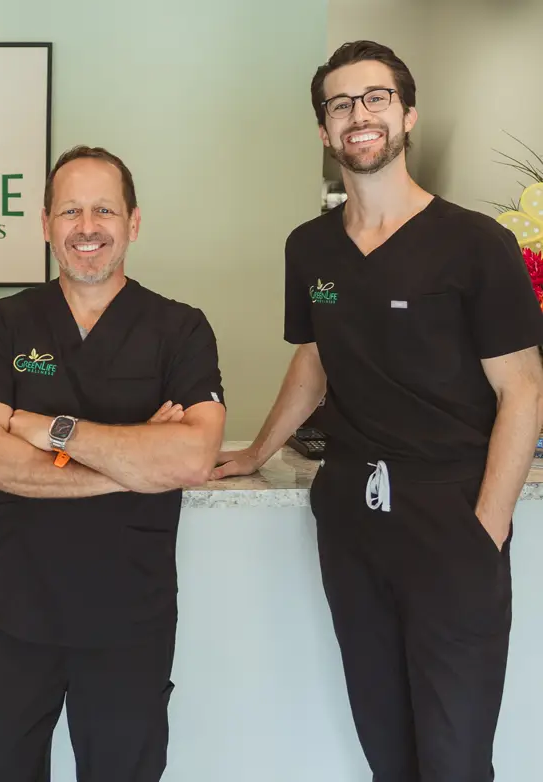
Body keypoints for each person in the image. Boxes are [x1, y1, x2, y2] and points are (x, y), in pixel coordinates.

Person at [214, 41, 543, 782]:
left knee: (455, 762)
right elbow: (315, 357)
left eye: (375, 99)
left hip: (449, 514)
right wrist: (257, 451)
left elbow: (523, 389)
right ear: (324, 132)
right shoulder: (311, 249)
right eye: (340, 105)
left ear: (407, 115)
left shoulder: (474, 244)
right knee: (388, 752)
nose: (358, 115)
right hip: (353, 521)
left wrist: (483, 531)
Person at [0, 145, 226, 782]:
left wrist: (44, 429)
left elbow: (192, 455)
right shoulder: (6, 323)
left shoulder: (180, 330)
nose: (87, 227)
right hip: (18, 614)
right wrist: (131, 463)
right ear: (45, 223)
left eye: (103, 209)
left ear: (133, 223)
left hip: (130, 618)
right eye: (70, 211)